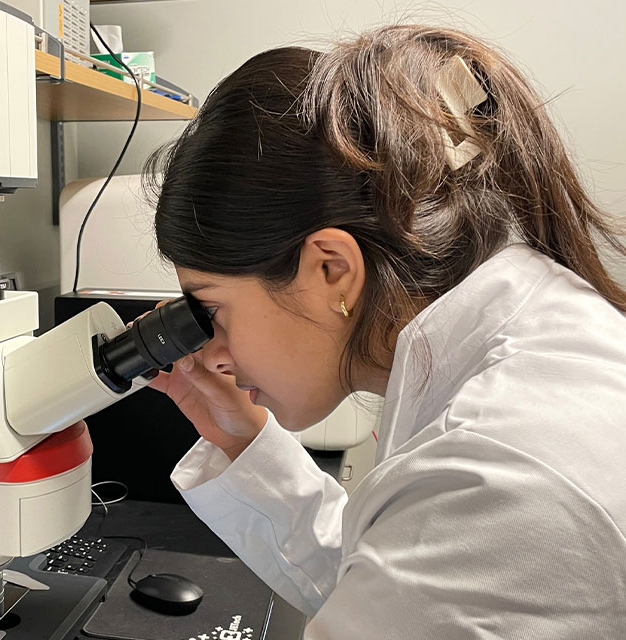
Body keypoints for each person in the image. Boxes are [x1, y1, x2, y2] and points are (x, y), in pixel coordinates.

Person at [143, 25, 626, 638]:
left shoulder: (500, 477)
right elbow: (391, 594)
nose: (211, 353)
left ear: (331, 269)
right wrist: (242, 440)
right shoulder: (533, 317)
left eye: (212, 311)